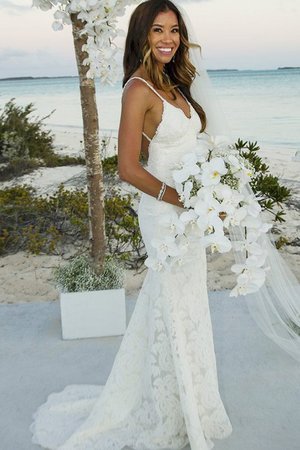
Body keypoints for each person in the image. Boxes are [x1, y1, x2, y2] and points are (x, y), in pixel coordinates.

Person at [29, 1, 241, 448]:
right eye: (158, 30)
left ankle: (190, 404)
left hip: (188, 210)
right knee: (171, 304)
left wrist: (213, 193)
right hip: (165, 212)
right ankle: (165, 410)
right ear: (142, 35)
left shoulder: (176, 84)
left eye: (175, 30)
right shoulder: (138, 89)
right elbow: (128, 167)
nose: (168, 39)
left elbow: (193, 150)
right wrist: (182, 197)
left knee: (186, 306)